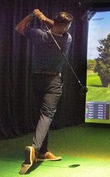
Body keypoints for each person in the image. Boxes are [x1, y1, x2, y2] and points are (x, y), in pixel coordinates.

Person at [15, 9, 73, 175]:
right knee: (46, 115)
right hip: (53, 81)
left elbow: (19, 28)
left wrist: (33, 16)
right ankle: (35, 148)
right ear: (67, 26)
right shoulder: (67, 39)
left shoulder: (38, 34)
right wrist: (44, 18)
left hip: (36, 79)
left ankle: (43, 152)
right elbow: (60, 27)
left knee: (42, 116)